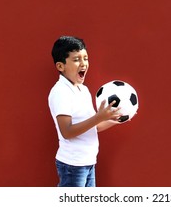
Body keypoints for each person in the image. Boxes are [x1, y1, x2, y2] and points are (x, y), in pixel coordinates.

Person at [48, 36, 122, 187]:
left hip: (88, 162)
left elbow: (92, 127)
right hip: (73, 165)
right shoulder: (61, 92)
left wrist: (115, 118)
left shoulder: (83, 90)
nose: (83, 64)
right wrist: (99, 117)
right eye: (76, 59)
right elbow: (67, 132)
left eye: (85, 58)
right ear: (60, 66)